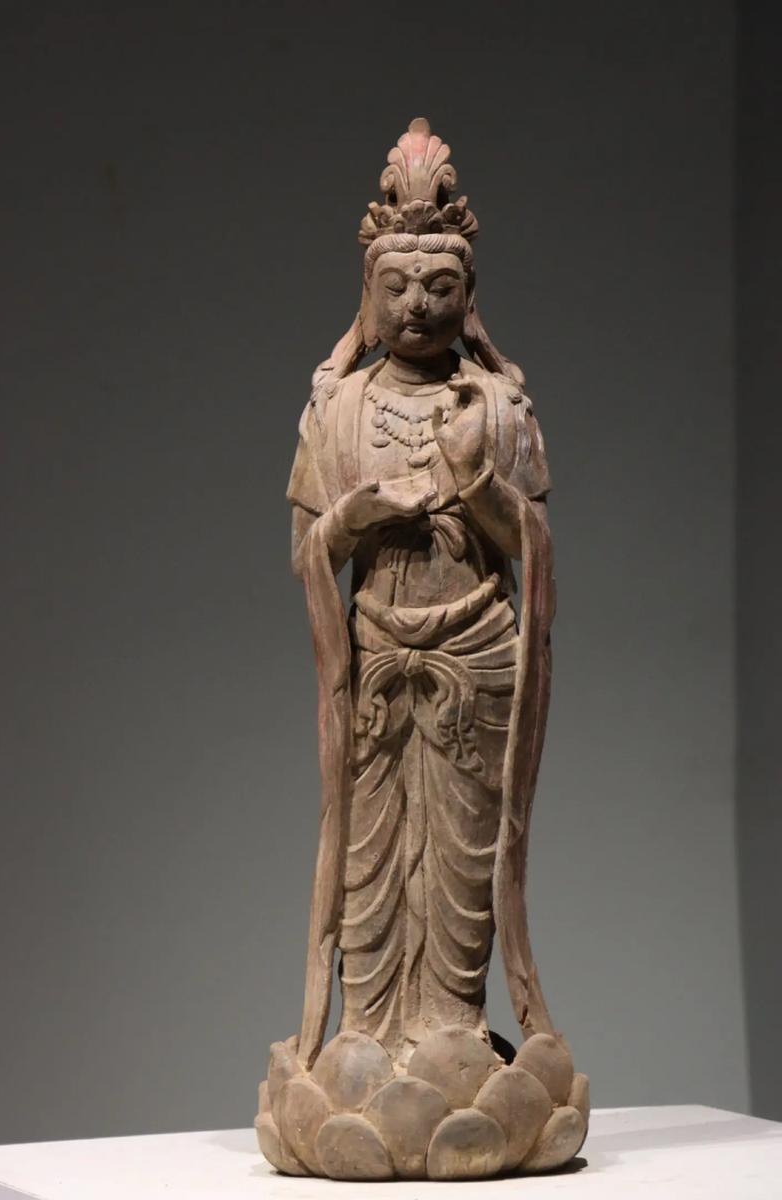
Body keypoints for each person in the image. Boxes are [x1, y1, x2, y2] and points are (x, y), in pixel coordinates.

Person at [287, 119, 557, 1070]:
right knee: (370, 850)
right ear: (368, 296)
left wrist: (477, 483)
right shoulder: (339, 408)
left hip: (475, 656)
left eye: (440, 287)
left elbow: (534, 547)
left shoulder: (502, 406)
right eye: (396, 286)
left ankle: (451, 1025)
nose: (417, 305)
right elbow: (306, 553)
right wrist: (352, 517)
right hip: (374, 655)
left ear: (469, 297)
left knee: (461, 855)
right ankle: (365, 1028)